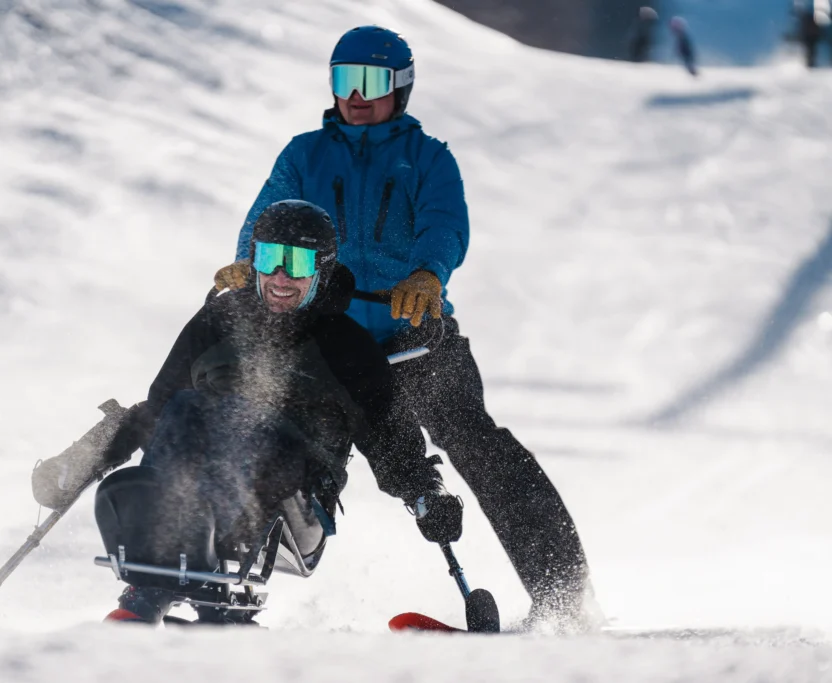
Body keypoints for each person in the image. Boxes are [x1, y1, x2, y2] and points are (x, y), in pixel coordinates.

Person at [213, 26, 596, 631]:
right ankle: (228, 589)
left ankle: (564, 596)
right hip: (328, 340)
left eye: (370, 83)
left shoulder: (428, 158)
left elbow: (445, 225)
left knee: (478, 443)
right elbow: (267, 216)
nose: (355, 96)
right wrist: (247, 263)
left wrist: (427, 273)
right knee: (288, 450)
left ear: (402, 89)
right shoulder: (304, 155)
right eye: (344, 81)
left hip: (411, 337)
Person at [32, 200, 463, 625]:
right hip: (203, 486)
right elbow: (157, 411)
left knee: (254, 425)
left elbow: (389, 435)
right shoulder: (218, 320)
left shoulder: (347, 347)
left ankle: (208, 588)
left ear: (323, 269)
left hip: (301, 498)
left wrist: (428, 494)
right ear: (252, 260)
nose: (280, 276)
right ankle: (151, 589)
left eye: (297, 263)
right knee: (185, 408)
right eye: (270, 258)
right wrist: (85, 457)